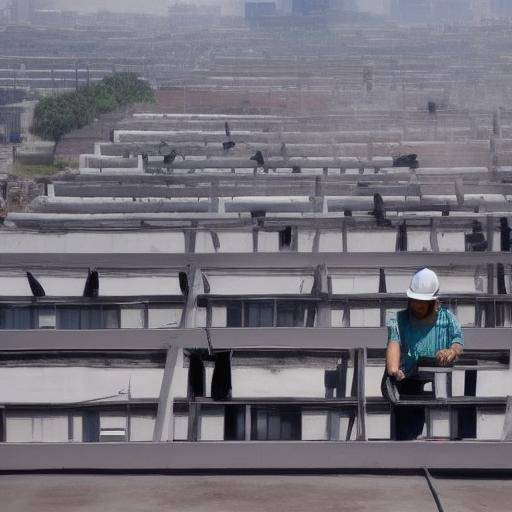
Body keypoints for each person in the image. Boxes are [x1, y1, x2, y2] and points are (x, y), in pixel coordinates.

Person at [384, 268, 464, 440]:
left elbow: (457, 343)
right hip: (406, 381)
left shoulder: (449, 319)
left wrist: (451, 351)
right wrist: (394, 370)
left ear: (435, 302)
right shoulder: (398, 319)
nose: (418, 306)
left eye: (423, 302)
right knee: (407, 429)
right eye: (415, 301)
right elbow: (394, 343)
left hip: (440, 380)